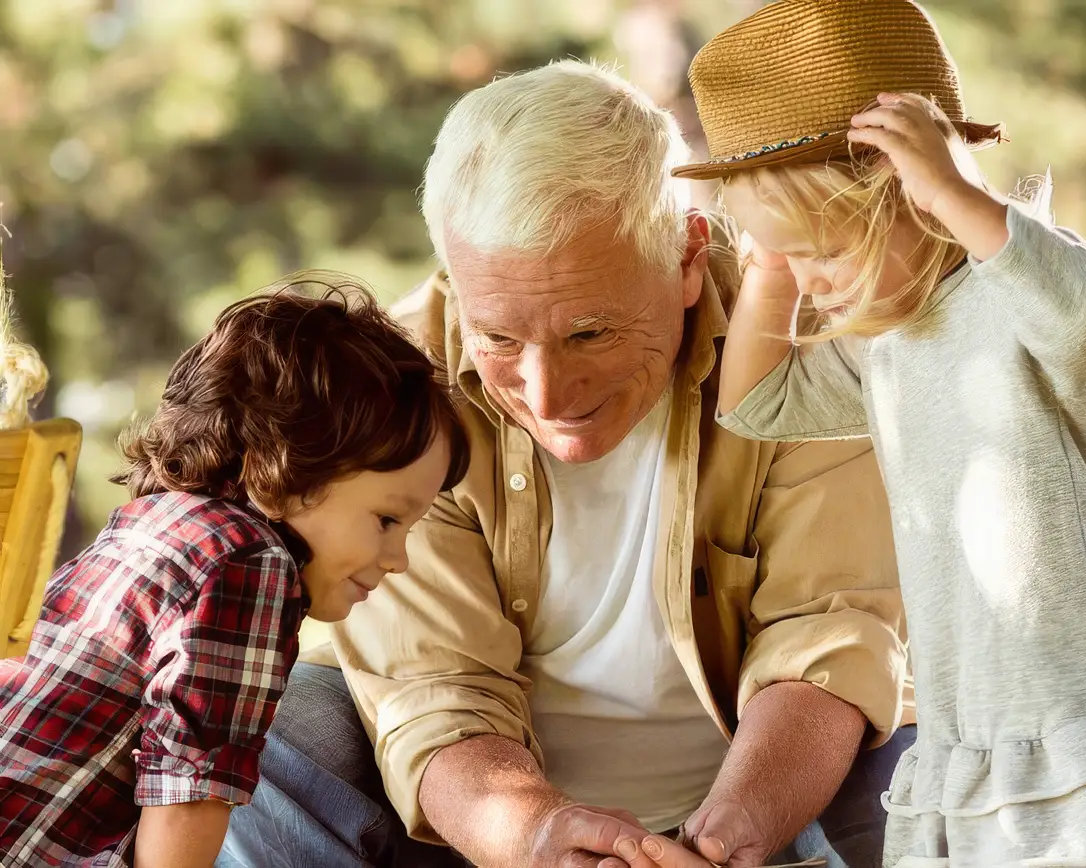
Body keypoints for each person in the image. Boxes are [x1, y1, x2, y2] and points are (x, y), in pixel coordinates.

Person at [218, 61, 916, 868]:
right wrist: (538, 839)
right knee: (273, 727)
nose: (546, 393)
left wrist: (729, 838)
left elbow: (828, 638)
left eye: (590, 333)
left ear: (688, 260)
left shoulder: (809, 342)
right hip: (488, 834)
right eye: (499, 338)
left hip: (776, 803)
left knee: (931, 766)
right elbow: (436, 693)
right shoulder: (396, 392)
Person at [673, 1, 1086, 865]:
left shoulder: (1009, 297)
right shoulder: (880, 344)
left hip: (1073, 704)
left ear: (912, 198)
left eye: (826, 252)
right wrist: (773, 261)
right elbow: (756, 405)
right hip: (970, 720)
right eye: (792, 259)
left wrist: (959, 192)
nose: (813, 283)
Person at [0, 276, 469, 868]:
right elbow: (187, 798)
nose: (398, 558)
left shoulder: (148, 524)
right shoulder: (249, 565)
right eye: (387, 520)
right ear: (281, 471)